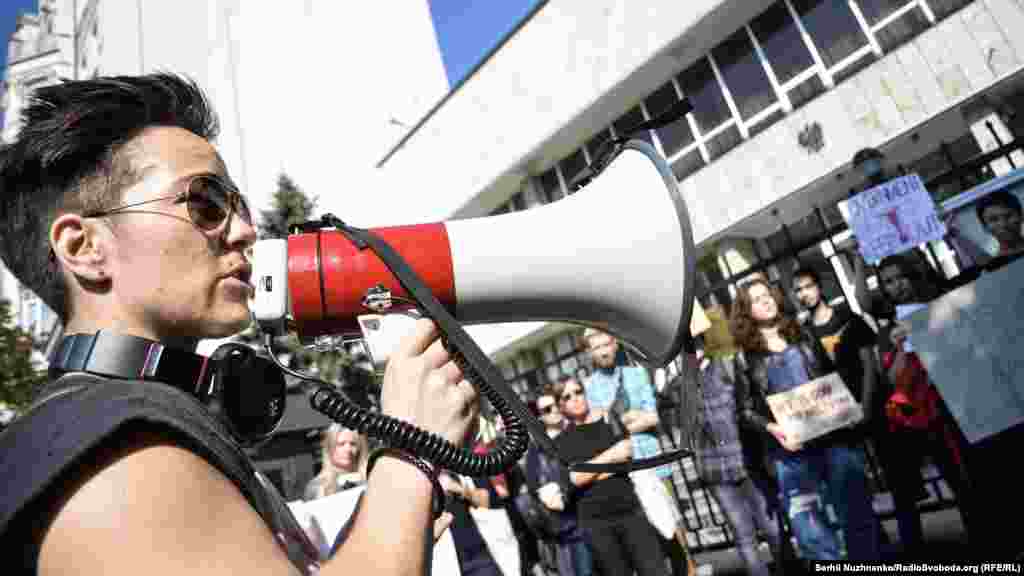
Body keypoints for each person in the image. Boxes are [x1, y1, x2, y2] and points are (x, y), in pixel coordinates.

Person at [0, 74, 479, 575]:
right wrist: (412, 451)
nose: (245, 230)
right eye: (204, 202)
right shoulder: (108, 445)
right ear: (84, 248)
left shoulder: (129, 423)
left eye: (238, 206)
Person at [730, 279, 881, 562]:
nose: (766, 301)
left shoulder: (804, 336)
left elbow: (830, 376)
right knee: (809, 529)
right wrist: (773, 428)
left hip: (834, 439)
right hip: (791, 452)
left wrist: (845, 408)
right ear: (746, 312)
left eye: (768, 295)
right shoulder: (744, 359)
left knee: (857, 514)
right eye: (756, 299)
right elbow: (745, 409)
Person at [871, 252, 971, 558]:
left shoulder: (940, 307)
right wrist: (901, 345)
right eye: (888, 282)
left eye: (899, 277)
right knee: (958, 482)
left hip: (962, 403)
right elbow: (890, 378)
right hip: (928, 418)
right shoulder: (888, 331)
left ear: (912, 276)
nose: (896, 285)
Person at [582, 328, 695, 576]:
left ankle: (688, 571)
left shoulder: (636, 374)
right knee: (643, 533)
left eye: (606, 345)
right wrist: (631, 418)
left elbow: (652, 416)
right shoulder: (589, 387)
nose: (603, 351)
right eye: (597, 347)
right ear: (590, 353)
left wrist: (621, 421)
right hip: (622, 468)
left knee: (671, 523)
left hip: (651, 458)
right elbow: (598, 430)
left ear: (615, 345)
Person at [552, 376, 667, 576]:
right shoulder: (561, 441)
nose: (575, 399)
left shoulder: (609, 422)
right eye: (567, 396)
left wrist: (591, 469)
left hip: (630, 511)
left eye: (578, 392)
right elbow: (576, 478)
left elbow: (626, 456)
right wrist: (611, 456)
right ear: (561, 406)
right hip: (596, 523)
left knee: (655, 571)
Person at [691, 331, 781, 576]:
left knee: (772, 529)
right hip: (715, 469)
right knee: (743, 535)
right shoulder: (678, 383)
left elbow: (745, 407)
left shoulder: (728, 366)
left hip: (746, 459)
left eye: (695, 343)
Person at [523, 392, 593, 576]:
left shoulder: (577, 430)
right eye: (547, 409)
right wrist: (549, 494)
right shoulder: (536, 449)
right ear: (540, 415)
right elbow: (533, 484)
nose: (553, 410)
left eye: (555, 404)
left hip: (594, 512)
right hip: (568, 528)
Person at [305, 424, 370, 501]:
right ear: (330, 448)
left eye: (353, 444)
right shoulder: (316, 487)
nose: (348, 449)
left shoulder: (371, 478)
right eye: (341, 444)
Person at [975, 189, 1024, 258]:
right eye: (993, 220)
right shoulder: (994, 266)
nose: (1003, 224)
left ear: (1021, 216)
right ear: (985, 227)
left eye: (1008, 216)